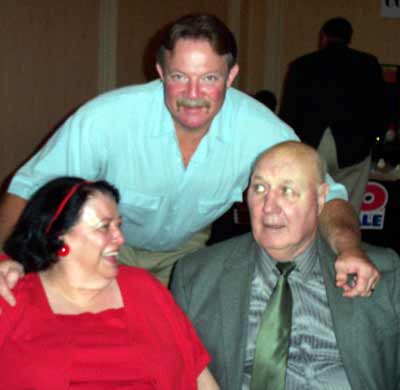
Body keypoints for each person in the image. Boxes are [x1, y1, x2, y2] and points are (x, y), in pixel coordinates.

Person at [0, 14, 378, 293]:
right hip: (101, 244)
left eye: (210, 78)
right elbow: (31, 185)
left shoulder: (260, 131)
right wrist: (6, 260)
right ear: (161, 72)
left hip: (186, 255)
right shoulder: (107, 118)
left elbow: (328, 195)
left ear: (231, 78)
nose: (193, 93)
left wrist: (350, 248)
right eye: (180, 76)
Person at [171, 142, 400, 390]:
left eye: (287, 191)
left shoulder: (381, 271)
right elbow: (179, 382)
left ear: (321, 199)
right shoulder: (197, 276)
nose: (270, 206)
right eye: (259, 188)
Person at [0, 177, 227, 390]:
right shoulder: (12, 296)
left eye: (119, 225)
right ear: (60, 236)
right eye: (104, 226)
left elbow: (198, 375)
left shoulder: (143, 288)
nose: (120, 238)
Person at [280, 17, 387, 213]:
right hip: (354, 145)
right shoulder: (368, 64)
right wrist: (375, 140)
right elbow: (380, 107)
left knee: (309, 202)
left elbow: (289, 111)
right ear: (350, 38)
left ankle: (310, 240)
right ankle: (343, 239)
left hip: (311, 142)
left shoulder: (301, 65)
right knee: (349, 205)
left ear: (324, 37)